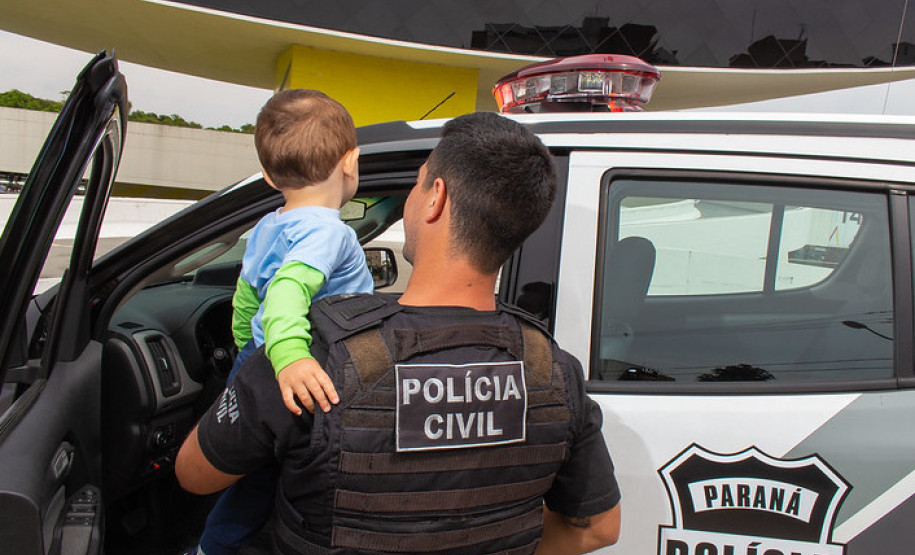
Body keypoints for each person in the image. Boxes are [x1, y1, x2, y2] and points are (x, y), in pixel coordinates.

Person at [177, 112, 622, 555]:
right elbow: (599, 528)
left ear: (436, 199)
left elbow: (193, 474)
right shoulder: (555, 372)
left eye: (417, 183)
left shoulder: (309, 359)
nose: (409, 197)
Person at [196, 89, 374, 555]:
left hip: (258, 364)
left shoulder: (269, 225)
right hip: (297, 374)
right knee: (268, 488)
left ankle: (215, 543)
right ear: (350, 161)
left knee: (251, 483)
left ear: (270, 175)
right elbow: (284, 295)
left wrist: (246, 350)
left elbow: (246, 295)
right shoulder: (327, 232)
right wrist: (290, 357)